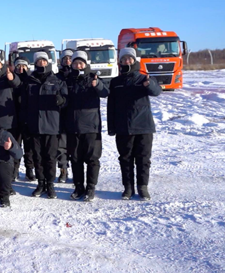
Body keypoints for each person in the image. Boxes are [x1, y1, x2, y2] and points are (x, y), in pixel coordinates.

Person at [107, 48, 162, 201]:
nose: (127, 61)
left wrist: (149, 84)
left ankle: (142, 187)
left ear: (135, 60)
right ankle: (128, 188)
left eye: (129, 58)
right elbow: (111, 106)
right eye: (124, 59)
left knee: (143, 159)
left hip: (144, 126)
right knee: (125, 159)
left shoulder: (144, 79)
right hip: (123, 127)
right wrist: (112, 127)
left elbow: (156, 91)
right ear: (120, 61)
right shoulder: (115, 82)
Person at [17, 52, 68, 199]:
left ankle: (50, 184)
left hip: (52, 125)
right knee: (37, 156)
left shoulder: (57, 80)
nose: (42, 64)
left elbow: (66, 101)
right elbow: (24, 104)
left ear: (49, 62)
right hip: (34, 125)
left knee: (50, 157)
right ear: (35, 63)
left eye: (44, 61)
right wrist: (25, 122)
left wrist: (61, 100)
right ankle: (41, 183)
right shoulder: (30, 81)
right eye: (39, 61)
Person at [63, 51, 109, 201]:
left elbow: (105, 92)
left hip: (91, 126)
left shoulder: (93, 78)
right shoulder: (68, 79)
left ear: (86, 64)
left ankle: (91, 187)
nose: (78, 65)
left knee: (92, 158)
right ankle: (78, 187)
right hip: (72, 125)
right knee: (75, 158)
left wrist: (98, 85)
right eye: (75, 63)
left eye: (81, 63)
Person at [10, 58, 35, 182]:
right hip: (14, 117)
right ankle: (15, 170)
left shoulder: (31, 79)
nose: (21, 68)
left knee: (29, 146)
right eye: (18, 66)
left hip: (29, 117)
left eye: (24, 66)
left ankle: (29, 169)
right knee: (16, 145)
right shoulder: (11, 80)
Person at [55, 49, 74, 183]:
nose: (67, 61)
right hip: (60, 115)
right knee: (61, 146)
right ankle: (63, 170)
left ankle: (77, 172)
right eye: (65, 59)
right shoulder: (56, 77)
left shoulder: (79, 76)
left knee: (76, 146)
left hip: (76, 116)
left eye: (70, 58)